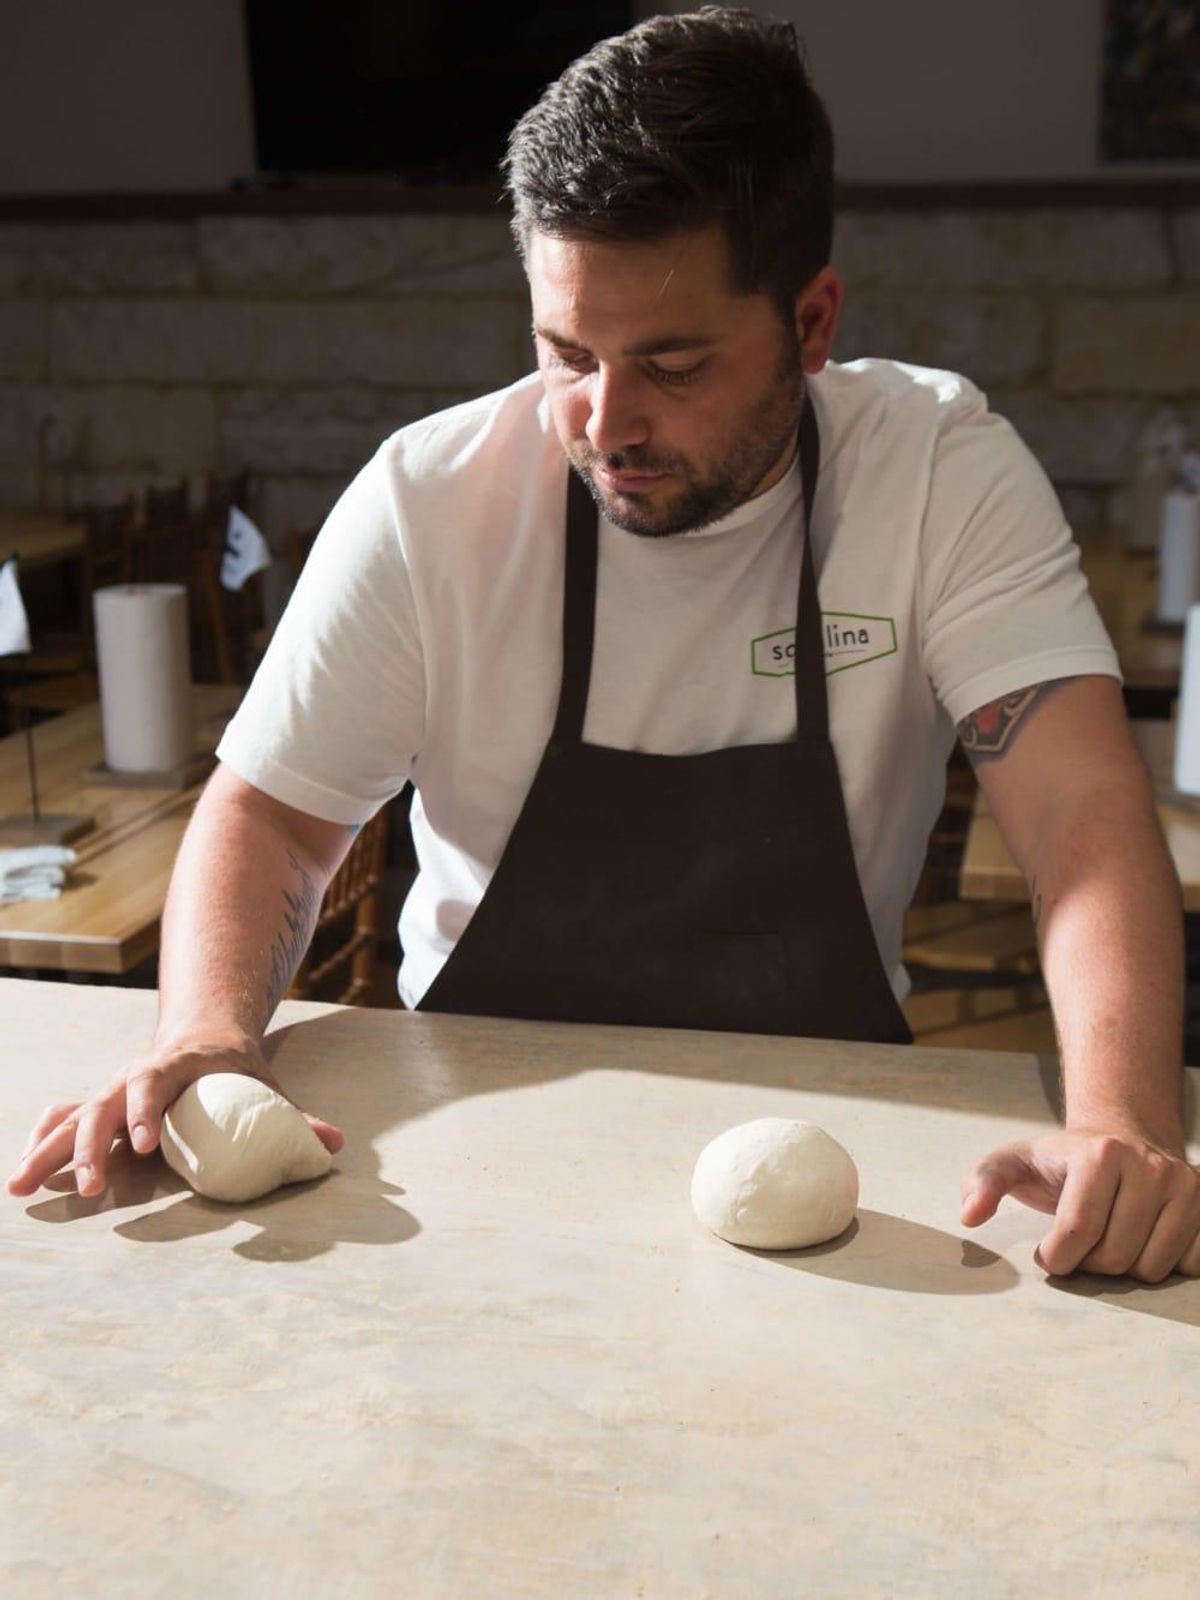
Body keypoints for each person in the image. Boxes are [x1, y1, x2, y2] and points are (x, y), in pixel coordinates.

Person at [9, 8, 1199, 1282]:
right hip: (465, 1172)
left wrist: (1123, 1121)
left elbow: (1078, 815)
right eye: (566, 353)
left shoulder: (937, 474)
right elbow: (275, 819)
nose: (605, 422)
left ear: (812, 323)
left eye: (673, 365)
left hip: (842, 1151)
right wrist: (205, 1037)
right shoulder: (431, 502)